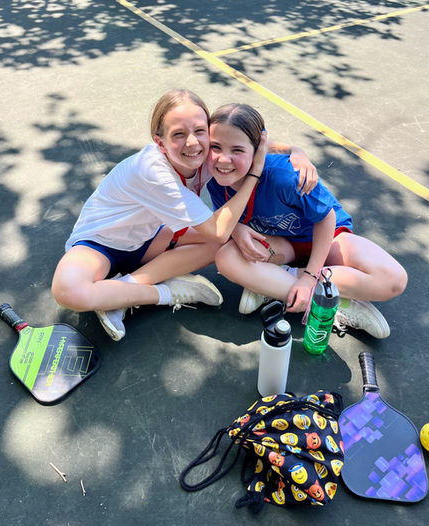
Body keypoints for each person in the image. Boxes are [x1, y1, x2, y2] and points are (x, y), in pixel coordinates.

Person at [52, 90, 317, 341]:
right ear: (160, 142)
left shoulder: (203, 153)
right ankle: (168, 292)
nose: (192, 142)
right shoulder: (152, 170)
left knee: (223, 242)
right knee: (68, 291)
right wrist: (255, 173)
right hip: (100, 243)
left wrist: (296, 151)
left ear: (209, 132)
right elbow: (218, 229)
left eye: (200, 131)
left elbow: (252, 143)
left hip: (150, 239)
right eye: (178, 134)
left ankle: (123, 291)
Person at [207, 104, 408, 338]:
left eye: (237, 150)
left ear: (257, 150)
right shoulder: (214, 179)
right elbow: (222, 217)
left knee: (393, 280)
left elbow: (327, 218)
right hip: (284, 244)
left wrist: (309, 278)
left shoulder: (284, 175)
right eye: (215, 147)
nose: (223, 159)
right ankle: (334, 303)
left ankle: (274, 285)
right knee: (226, 257)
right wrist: (236, 229)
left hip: (328, 237)